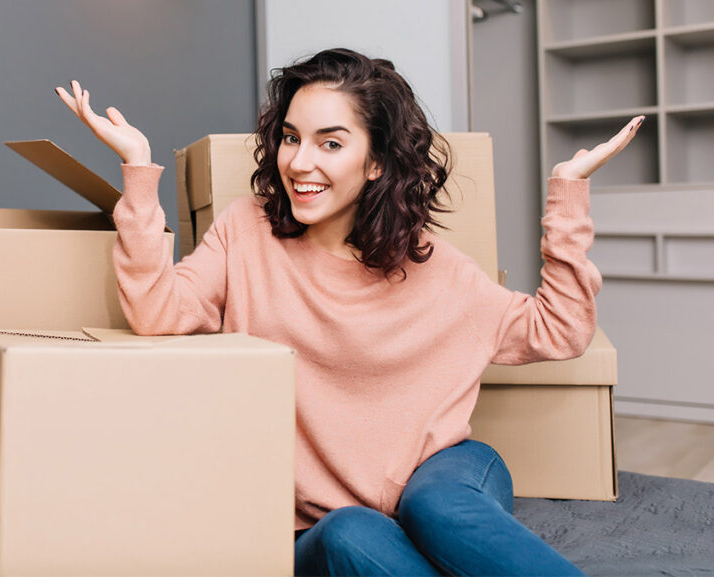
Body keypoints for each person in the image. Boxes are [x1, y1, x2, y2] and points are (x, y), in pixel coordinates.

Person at [56, 48, 641, 576]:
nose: (300, 162)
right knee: (348, 534)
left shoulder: (436, 270)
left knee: (433, 504)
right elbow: (157, 312)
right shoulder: (246, 230)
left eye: (331, 143)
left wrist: (566, 196)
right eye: (291, 138)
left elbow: (560, 332)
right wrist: (137, 171)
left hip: (442, 474)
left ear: (376, 163)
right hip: (314, 520)